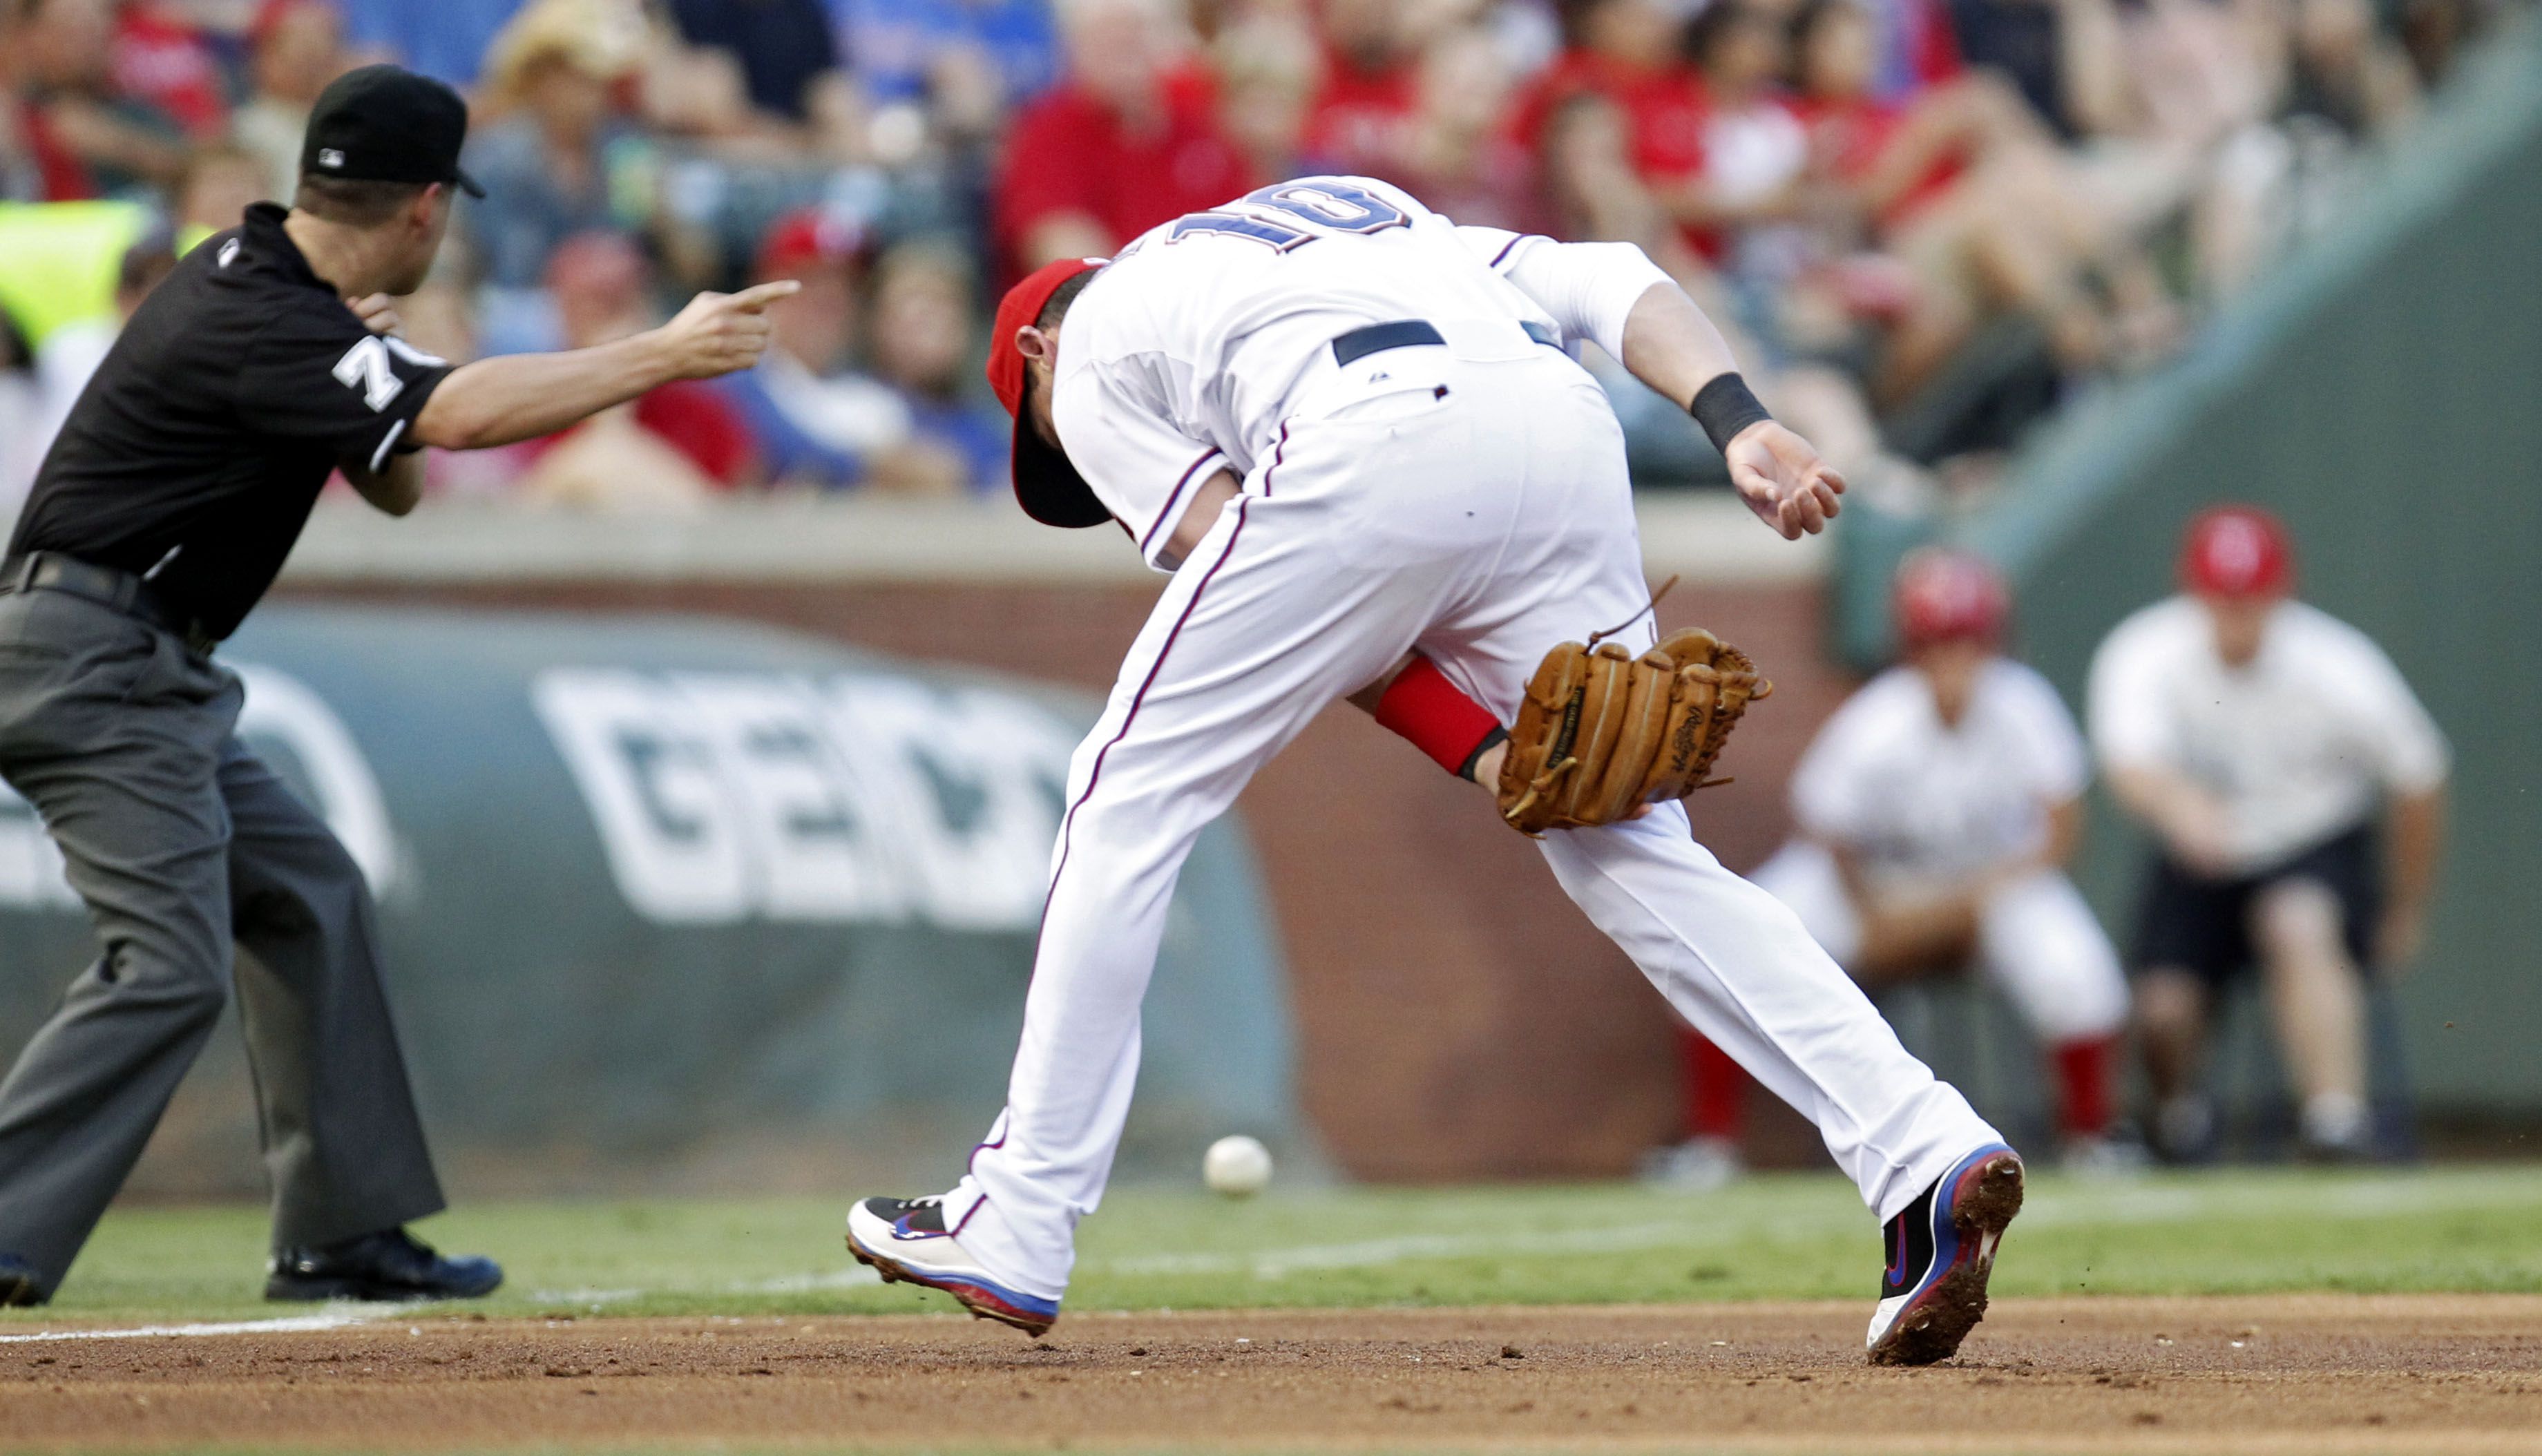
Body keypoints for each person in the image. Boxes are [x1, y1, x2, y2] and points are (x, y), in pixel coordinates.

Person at [845, 173, 2023, 1367]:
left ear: (1035, 344)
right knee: (1635, 848)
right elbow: (1607, 273)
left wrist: (1474, 747)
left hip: (1368, 429)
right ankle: (1924, 1149)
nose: (1075, 473)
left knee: (1123, 795)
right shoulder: (1351, 211)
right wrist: (1738, 419)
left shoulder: (1084, 349)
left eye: (1042, 438)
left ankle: (1022, 1215)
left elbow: (1275, 580)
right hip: (1556, 427)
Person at [0, 64, 794, 1309]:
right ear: (428, 208)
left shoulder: (269, 291)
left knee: (309, 891)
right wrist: (661, 352)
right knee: (167, 961)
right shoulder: (262, 313)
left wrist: (378, 376)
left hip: (134, 658)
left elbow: (402, 473)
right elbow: (462, 426)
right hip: (94, 659)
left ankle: (340, 1230)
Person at [1725, 549, 2128, 1169]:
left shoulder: (2023, 704)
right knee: (1741, 941)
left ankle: (2091, 1138)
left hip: (1991, 884)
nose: (1955, 661)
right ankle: (1709, 1143)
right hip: (1873, 884)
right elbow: (1827, 829)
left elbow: (2060, 828)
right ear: (1911, 648)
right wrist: (1872, 919)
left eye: (1968, 642)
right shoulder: (1880, 719)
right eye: (1938, 643)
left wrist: (1971, 903)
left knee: (2075, 971)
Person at [2088, 506, 2448, 1163]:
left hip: (2314, 846)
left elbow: (2420, 774)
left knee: (2298, 921)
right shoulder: (2147, 649)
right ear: (2192, 591)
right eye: (2221, 598)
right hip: (2200, 857)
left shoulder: (2336, 662)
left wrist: (2405, 906)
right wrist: (2178, 805)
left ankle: (2335, 1120)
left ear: (2281, 591)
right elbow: (2128, 761)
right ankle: (2178, 1117)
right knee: (2163, 1006)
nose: (2235, 614)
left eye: (2249, 598)